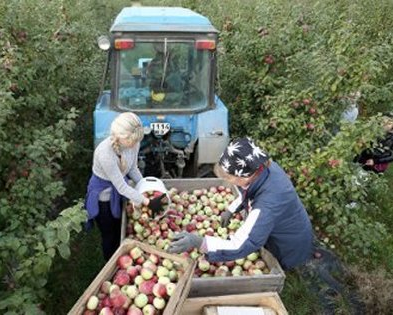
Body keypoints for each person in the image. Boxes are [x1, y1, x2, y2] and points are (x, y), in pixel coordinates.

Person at [167, 138, 364, 313]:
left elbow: (241, 244)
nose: (228, 182)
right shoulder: (261, 167)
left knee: (290, 262)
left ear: (244, 175)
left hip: (288, 239)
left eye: (229, 178)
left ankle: (303, 279)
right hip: (284, 221)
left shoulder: (267, 203)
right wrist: (232, 208)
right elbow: (246, 191)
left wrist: (199, 241)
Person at [85, 112, 164, 261]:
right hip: (104, 196)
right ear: (122, 137)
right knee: (110, 235)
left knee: (120, 226)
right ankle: (110, 264)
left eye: (137, 141)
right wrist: (148, 202)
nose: (135, 145)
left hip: (119, 190)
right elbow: (121, 186)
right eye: (132, 142)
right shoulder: (105, 153)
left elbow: (133, 168)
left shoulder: (134, 142)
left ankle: (121, 259)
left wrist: (144, 187)